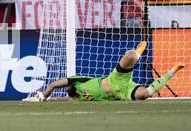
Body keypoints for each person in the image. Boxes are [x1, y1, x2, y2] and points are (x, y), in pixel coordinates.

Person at [36, 41, 185, 102]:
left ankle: (137, 54)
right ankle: (174, 69)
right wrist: (45, 100)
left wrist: (44, 94)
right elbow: (59, 100)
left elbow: (55, 84)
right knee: (146, 94)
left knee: (130, 56)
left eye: (66, 88)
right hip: (123, 93)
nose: (66, 89)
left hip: (115, 80)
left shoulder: (77, 81)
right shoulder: (76, 99)